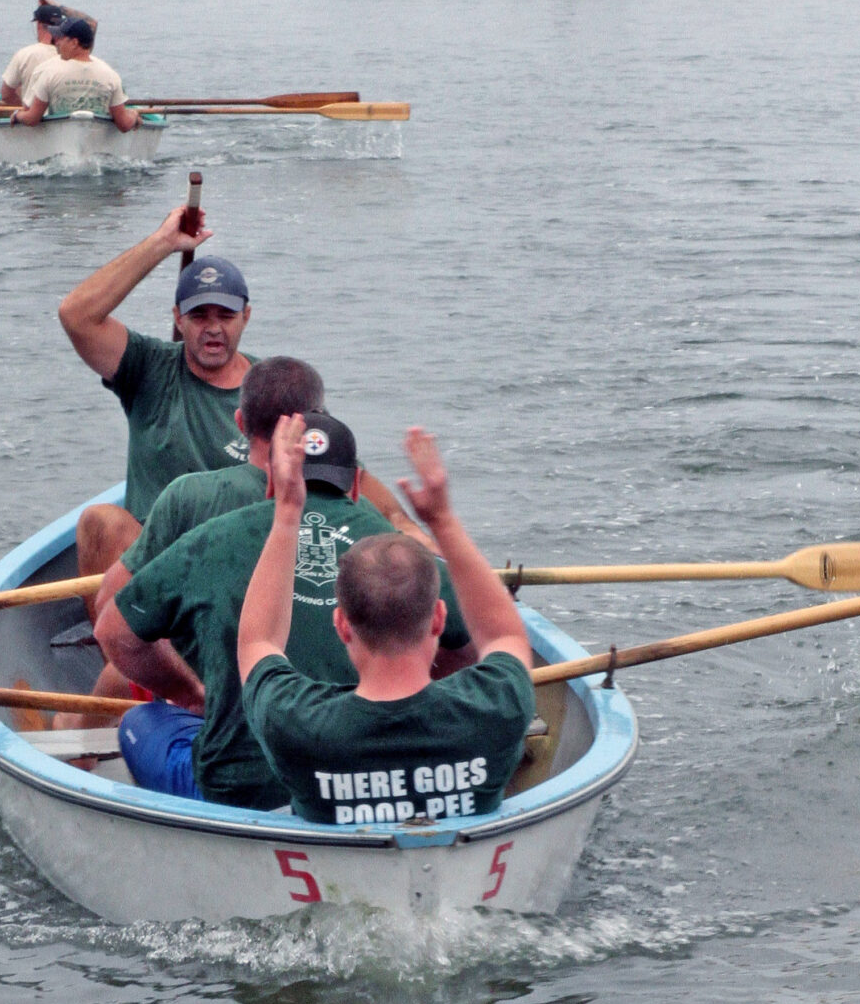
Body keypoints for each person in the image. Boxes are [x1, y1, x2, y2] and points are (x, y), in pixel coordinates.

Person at [97, 412, 471, 809]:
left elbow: (114, 633)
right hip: (368, 780)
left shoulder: (210, 537)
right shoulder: (400, 552)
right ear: (357, 486)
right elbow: (475, 648)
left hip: (240, 790)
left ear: (272, 479)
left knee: (138, 723)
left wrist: (191, 694)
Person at [238, 419, 535, 829]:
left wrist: (288, 512)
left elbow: (257, 642)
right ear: (438, 619)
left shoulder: (297, 724)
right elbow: (504, 634)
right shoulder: (495, 706)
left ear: (342, 624)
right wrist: (443, 521)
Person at [58, 202, 255, 579]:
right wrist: (163, 242)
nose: (212, 328)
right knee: (100, 521)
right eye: (198, 316)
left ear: (246, 316)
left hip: (236, 568)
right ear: (178, 319)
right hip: (154, 570)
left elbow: (335, 470)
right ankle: (127, 637)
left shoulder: (272, 386)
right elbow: (76, 315)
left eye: (225, 316)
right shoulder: (148, 367)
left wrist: (396, 519)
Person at [15, 12, 140, 132]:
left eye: (61, 38)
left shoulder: (49, 73)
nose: (57, 43)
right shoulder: (111, 75)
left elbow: (32, 118)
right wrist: (133, 115)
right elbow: (124, 124)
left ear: (74, 43)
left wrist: (17, 116)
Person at [0, 1, 67, 106]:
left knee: (18, 89)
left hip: (32, 116)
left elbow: (6, 95)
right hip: (61, 110)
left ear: (38, 24)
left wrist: (25, 111)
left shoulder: (24, 54)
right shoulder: (72, 53)